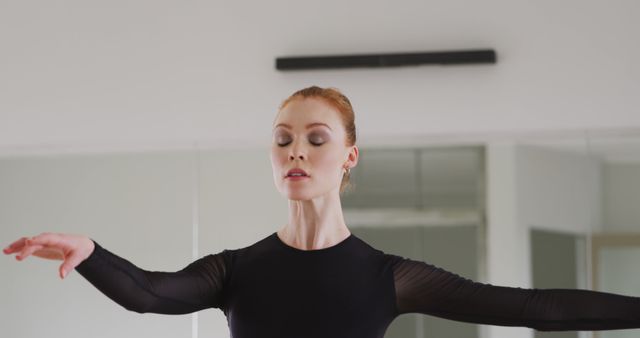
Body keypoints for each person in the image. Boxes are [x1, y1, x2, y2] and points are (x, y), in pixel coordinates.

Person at [4, 86, 640, 338]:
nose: (295, 153)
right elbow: (149, 294)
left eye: (316, 138)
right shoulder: (235, 272)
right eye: (282, 140)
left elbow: (530, 308)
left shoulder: (387, 277)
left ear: (350, 156)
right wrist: (90, 252)